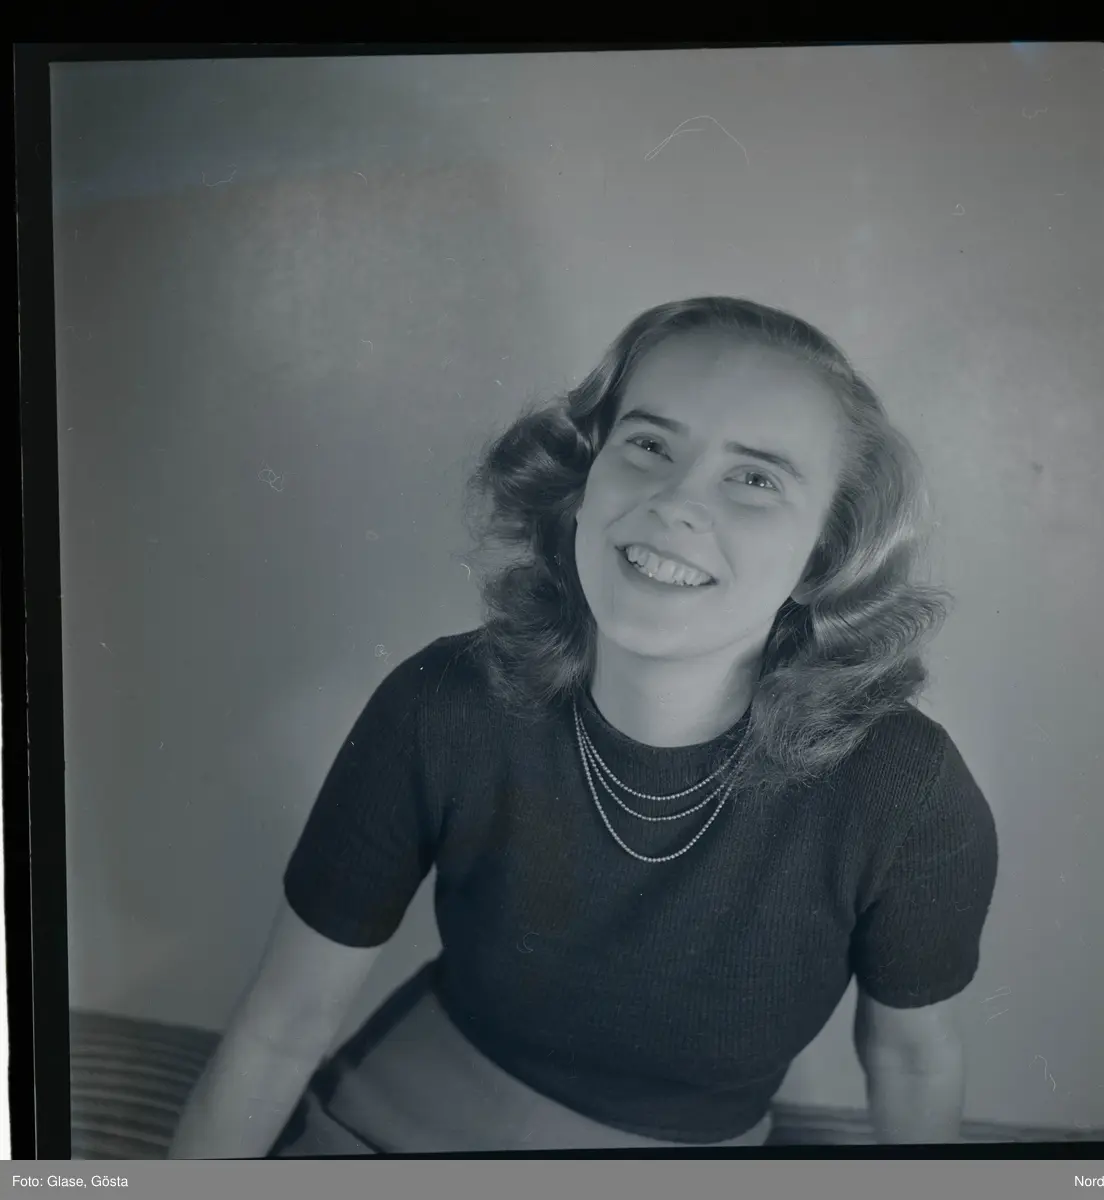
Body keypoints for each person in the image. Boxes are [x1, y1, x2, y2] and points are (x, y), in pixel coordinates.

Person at [168, 296, 998, 1157]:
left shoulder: (906, 790)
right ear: (582, 481)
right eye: (648, 445)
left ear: (825, 554)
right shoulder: (441, 702)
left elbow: (911, 1064)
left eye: (755, 479)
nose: (676, 502)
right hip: (393, 1120)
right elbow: (283, 1024)